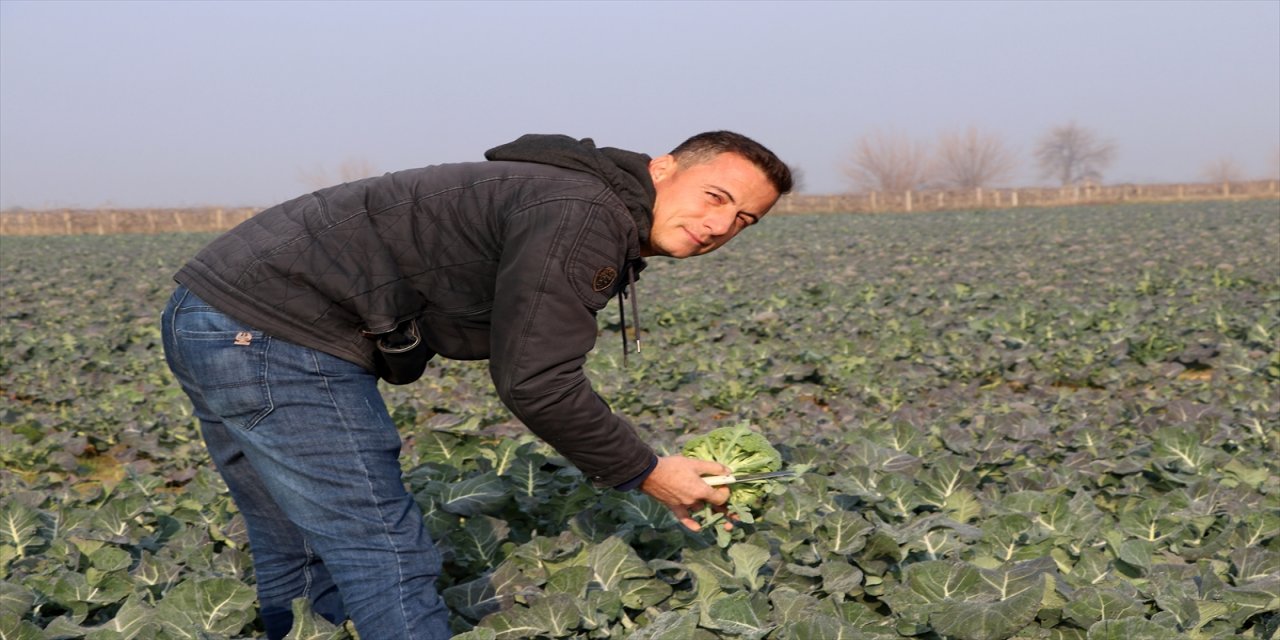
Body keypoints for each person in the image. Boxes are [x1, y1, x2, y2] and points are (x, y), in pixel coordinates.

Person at [160, 131, 792, 639]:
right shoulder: (582, 212)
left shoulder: (576, 198)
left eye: (744, 219)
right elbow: (536, 380)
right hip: (277, 331)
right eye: (715, 197)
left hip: (216, 313)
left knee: (297, 543)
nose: (720, 225)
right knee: (385, 550)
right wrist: (647, 470)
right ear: (662, 168)